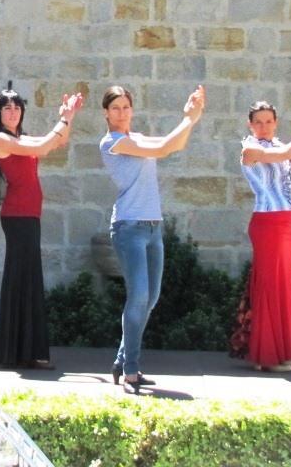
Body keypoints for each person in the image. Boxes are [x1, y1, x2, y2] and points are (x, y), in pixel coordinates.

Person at [99, 84, 205, 394]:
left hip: (153, 226)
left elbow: (174, 144)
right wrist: (187, 119)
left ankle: (122, 361)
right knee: (139, 296)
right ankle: (131, 368)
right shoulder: (112, 142)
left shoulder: (138, 138)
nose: (122, 112)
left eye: (126, 107)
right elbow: (163, 148)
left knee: (152, 297)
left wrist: (192, 117)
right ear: (106, 113)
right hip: (128, 227)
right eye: (116, 107)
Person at [231, 90, 291, 373]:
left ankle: (279, 353)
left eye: (268, 121)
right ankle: (266, 356)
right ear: (250, 125)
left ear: (276, 123)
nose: (263, 127)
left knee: (281, 286)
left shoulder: (277, 144)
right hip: (268, 223)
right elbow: (286, 153)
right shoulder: (250, 149)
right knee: (270, 288)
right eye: (258, 122)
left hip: (285, 222)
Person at [0, 88, 83, 370]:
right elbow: (43, 146)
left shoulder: (22, 138)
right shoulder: (0, 139)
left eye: (17, 107)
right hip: (17, 216)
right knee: (21, 280)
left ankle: (19, 352)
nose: (13, 111)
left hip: (30, 215)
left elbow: (57, 142)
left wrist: (69, 116)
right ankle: (15, 352)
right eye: (7, 108)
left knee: (27, 281)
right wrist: (62, 121)